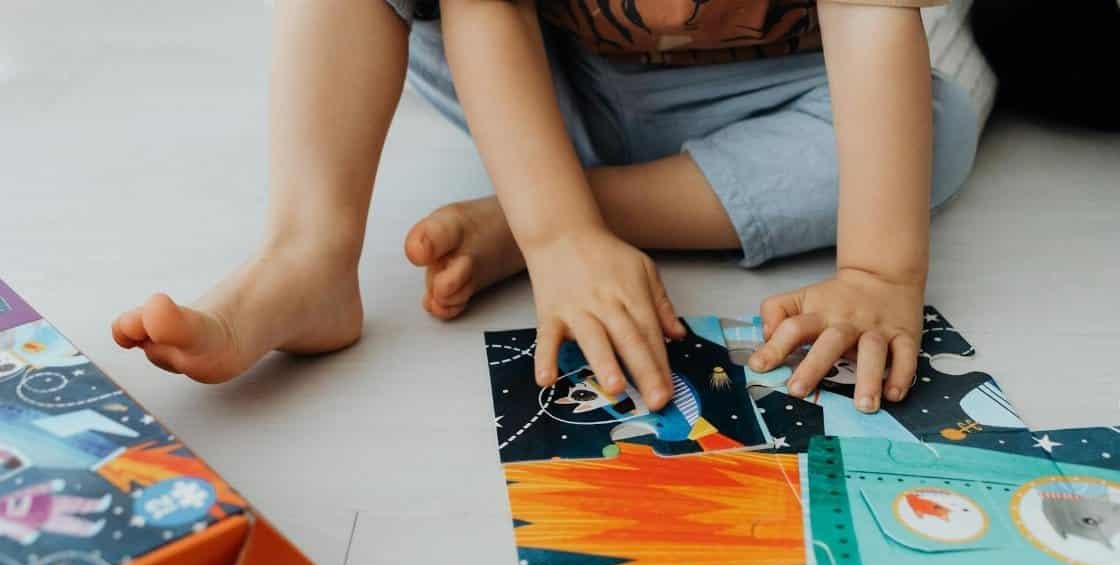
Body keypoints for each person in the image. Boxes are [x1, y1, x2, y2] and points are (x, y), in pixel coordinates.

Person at [111, 0, 978, 415]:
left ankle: (545, 215)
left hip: (754, 101)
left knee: (928, 129)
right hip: (538, 91)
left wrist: (878, 269)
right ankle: (308, 252)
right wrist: (559, 237)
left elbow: (869, 19)